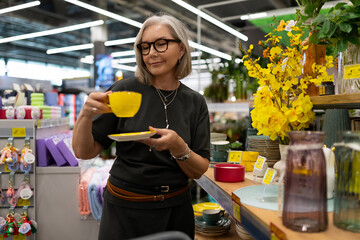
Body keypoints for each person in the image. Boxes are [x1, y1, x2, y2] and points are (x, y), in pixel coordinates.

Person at [72, 13, 210, 240]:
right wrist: (85, 115)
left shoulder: (195, 102)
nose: (151, 53)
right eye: (144, 47)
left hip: (176, 209)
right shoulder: (123, 91)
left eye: (161, 44)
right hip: (124, 209)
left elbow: (200, 169)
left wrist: (178, 147)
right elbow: (84, 151)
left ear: (182, 49)